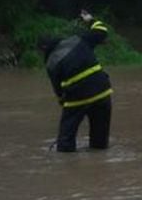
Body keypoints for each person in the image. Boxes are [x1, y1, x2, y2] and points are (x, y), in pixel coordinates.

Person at [38, 10, 113, 152]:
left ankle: (68, 167)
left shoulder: (51, 63)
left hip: (77, 99)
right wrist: (90, 20)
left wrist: (63, 102)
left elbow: (59, 91)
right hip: (102, 93)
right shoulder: (78, 40)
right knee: (99, 144)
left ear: (43, 49)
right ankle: (100, 165)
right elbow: (102, 31)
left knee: (64, 145)